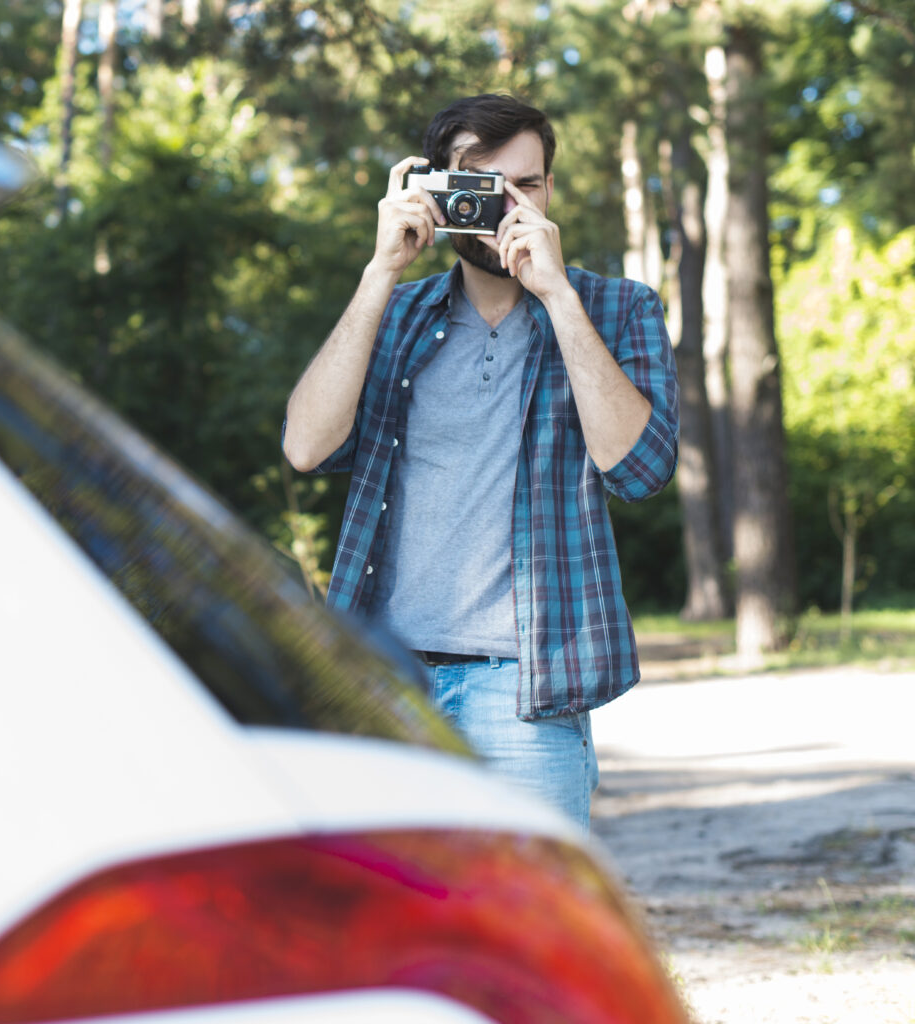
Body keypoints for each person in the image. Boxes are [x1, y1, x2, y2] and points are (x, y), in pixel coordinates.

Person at [282, 93, 679, 829]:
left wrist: (557, 295)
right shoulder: (396, 314)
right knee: (385, 927)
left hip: (526, 693)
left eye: (522, 186)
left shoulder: (619, 308)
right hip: (384, 686)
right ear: (432, 189)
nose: (501, 206)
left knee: (530, 933)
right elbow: (306, 447)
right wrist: (379, 274)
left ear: (548, 192)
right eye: (477, 184)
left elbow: (640, 468)